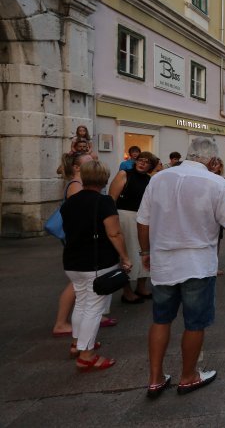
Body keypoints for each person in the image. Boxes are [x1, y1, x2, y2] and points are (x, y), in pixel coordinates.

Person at [137, 138, 225, 398]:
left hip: (163, 261)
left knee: (161, 319)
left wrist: (146, 251)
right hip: (197, 262)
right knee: (194, 322)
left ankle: (155, 378)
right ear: (213, 161)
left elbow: (143, 221)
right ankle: (188, 375)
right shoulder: (217, 183)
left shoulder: (158, 179)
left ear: (188, 154)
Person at [61, 161, 132, 371]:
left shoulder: (69, 203)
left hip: (72, 261)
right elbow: (114, 233)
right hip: (96, 261)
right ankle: (87, 355)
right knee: (94, 306)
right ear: (103, 179)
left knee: (82, 302)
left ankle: (77, 342)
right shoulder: (104, 202)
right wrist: (125, 257)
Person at [52, 153, 119, 337]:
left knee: (82, 297)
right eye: (89, 161)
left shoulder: (80, 189)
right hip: (88, 249)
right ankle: (84, 351)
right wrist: (124, 255)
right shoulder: (77, 188)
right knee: (87, 299)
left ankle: (77, 343)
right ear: (77, 168)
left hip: (79, 250)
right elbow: (86, 219)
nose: (94, 163)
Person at [108, 151, 158, 304]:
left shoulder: (150, 180)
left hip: (144, 219)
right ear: (135, 161)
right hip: (125, 217)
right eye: (140, 160)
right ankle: (127, 291)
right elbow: (111, 199)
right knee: (128, 253)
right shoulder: (124, 174)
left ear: (151, 166)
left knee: (145, 252)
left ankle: (141, 287)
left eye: (147, 162)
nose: (142, 163)